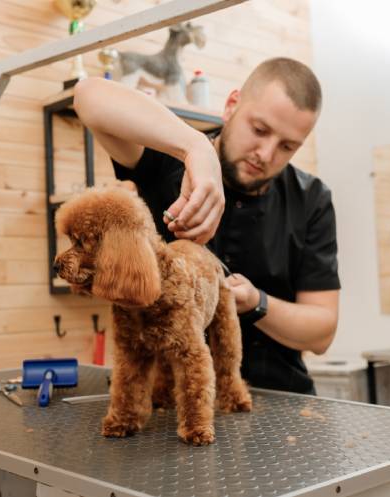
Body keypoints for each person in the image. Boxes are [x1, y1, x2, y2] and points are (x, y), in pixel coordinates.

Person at [72, 57, 339, 394]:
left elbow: (322, 332)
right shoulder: (168, 161)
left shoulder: (311, 199)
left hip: (279, 397)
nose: (266, 153)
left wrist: (256, 302)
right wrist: (196, 148)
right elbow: (87, 95)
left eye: (287, 146)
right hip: (172, 400)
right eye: (259, 130)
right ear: (231, 106)